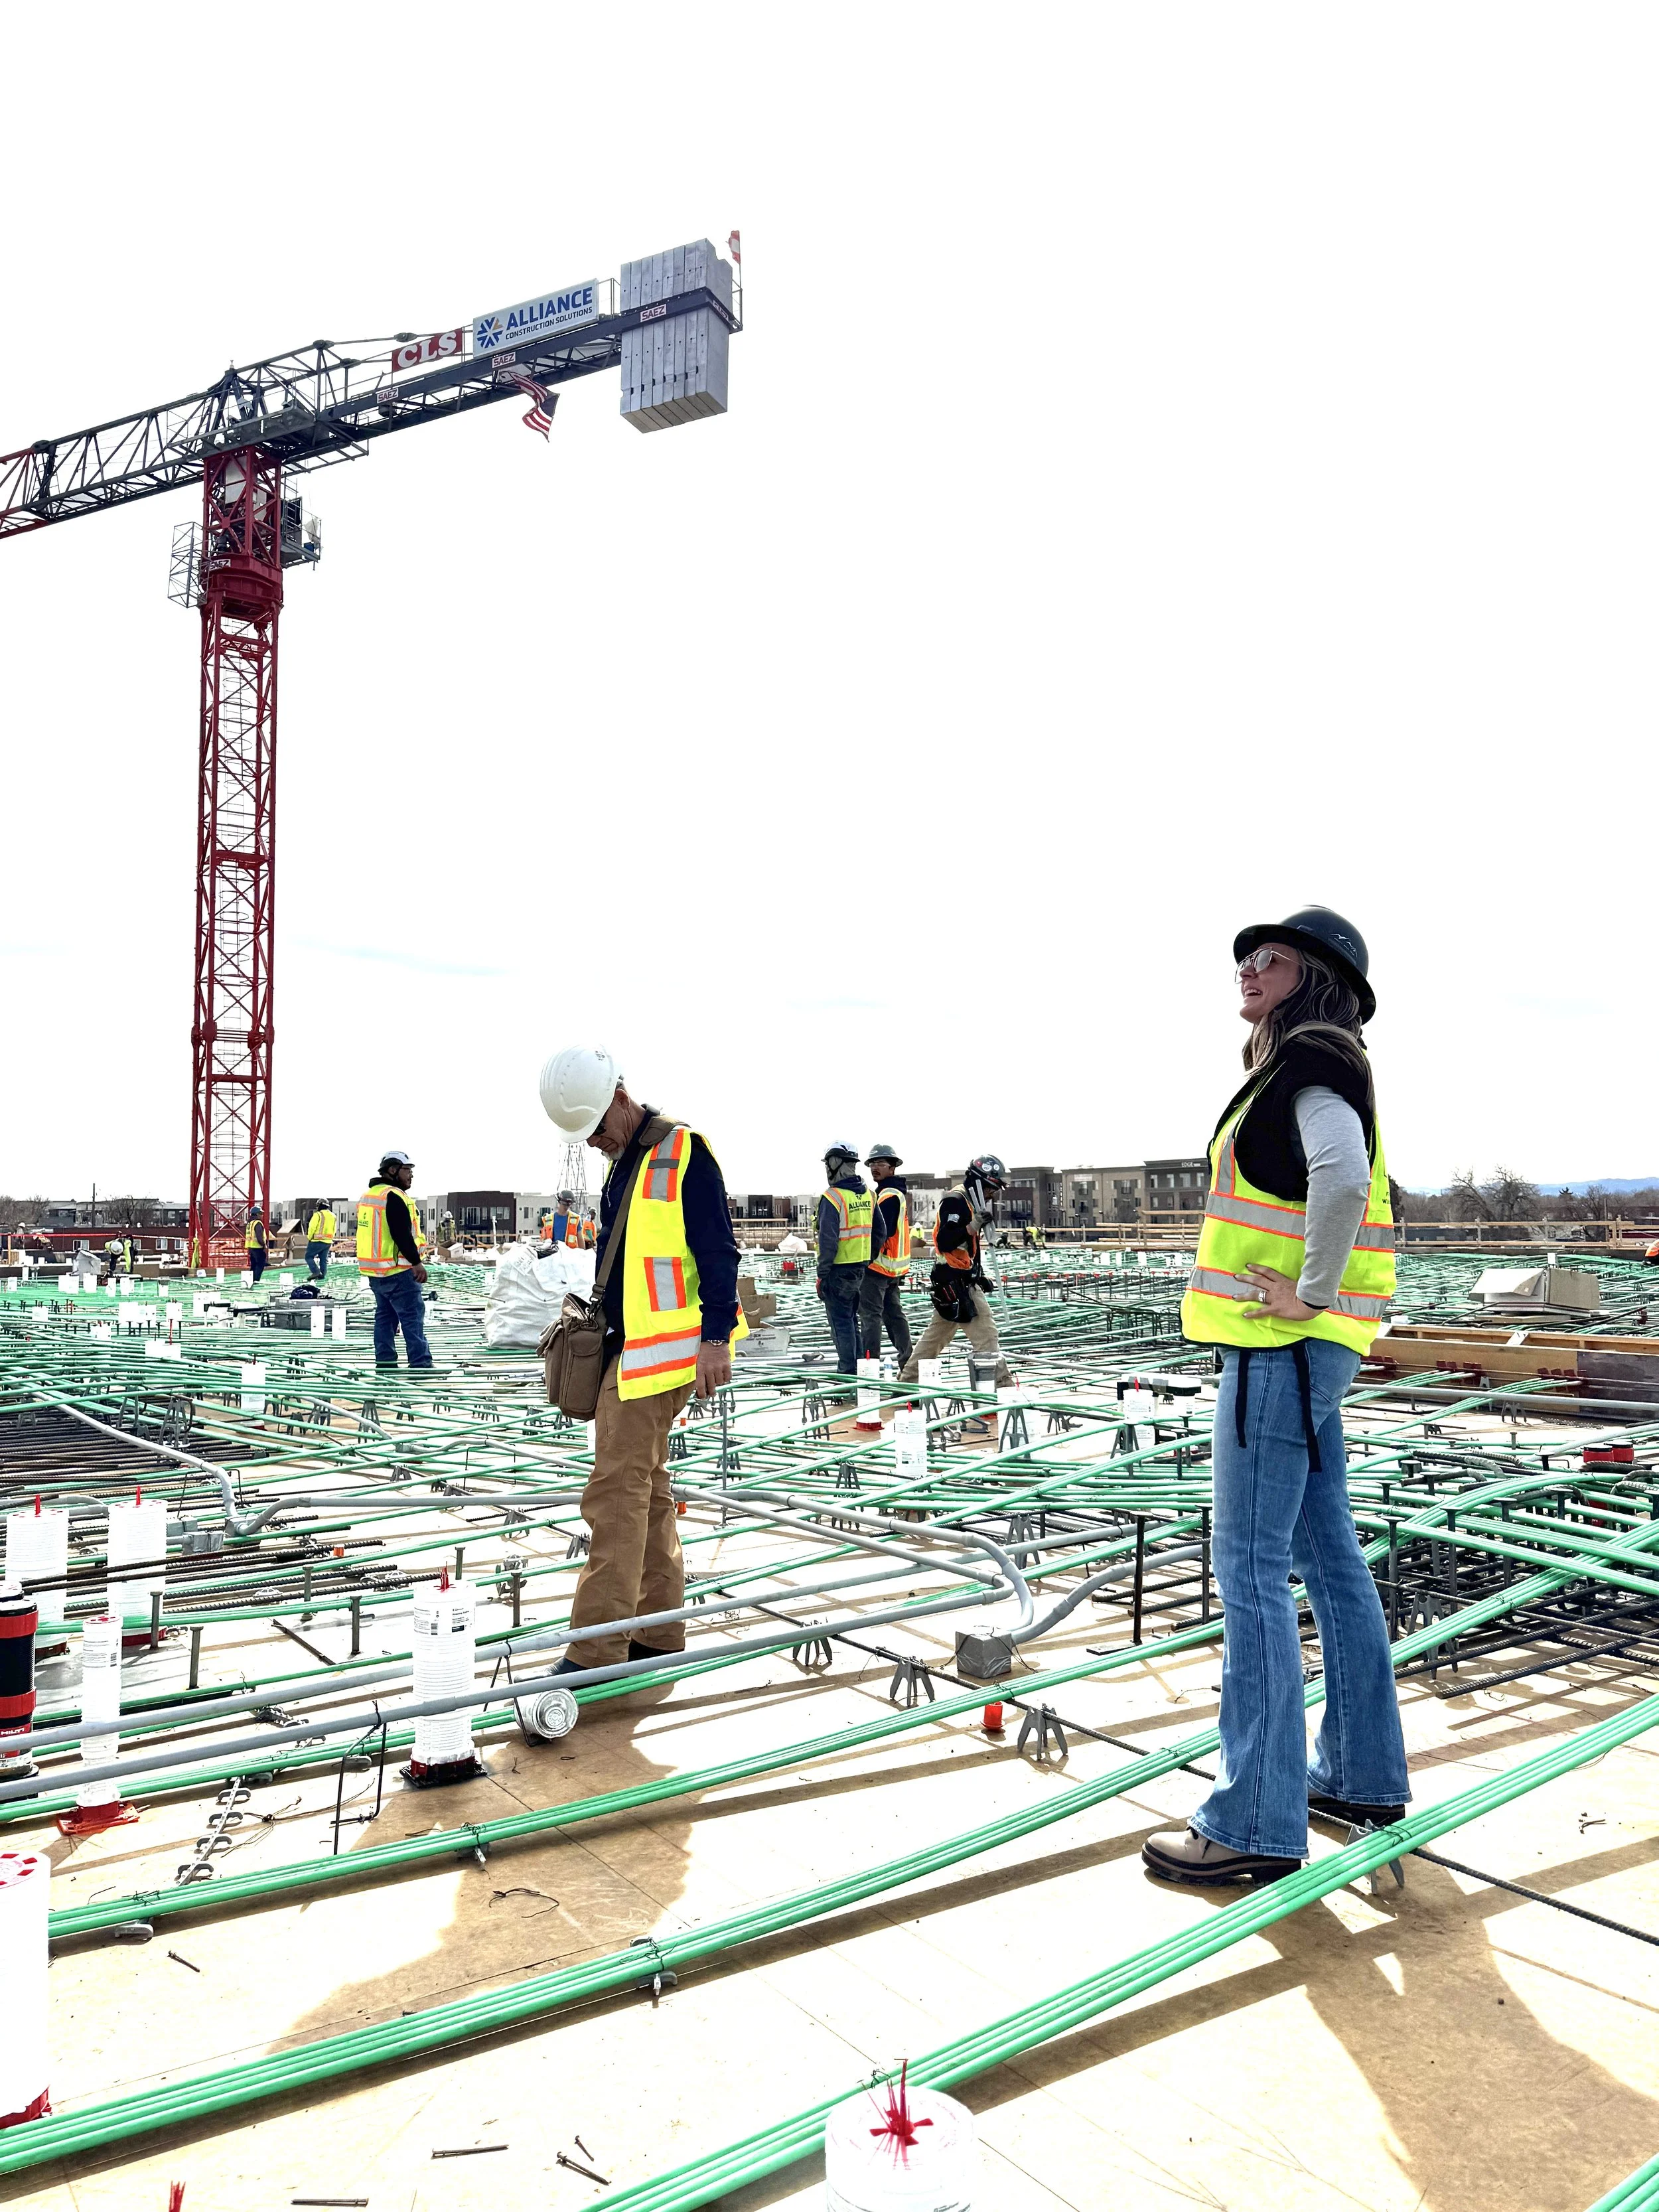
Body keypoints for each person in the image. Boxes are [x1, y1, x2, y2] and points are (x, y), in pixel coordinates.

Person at [1143, 905, 1406, 1888]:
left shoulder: (1313, 1064)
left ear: (1317, 977)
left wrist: (1309, 1294)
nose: (1250, 968)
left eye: (1273, 958)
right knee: (1327, 1557)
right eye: (1247, 957)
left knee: (1247, 1568)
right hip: (1312, 1354)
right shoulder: (1312, 1064)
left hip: (1281, 1347)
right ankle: (1360, 1776)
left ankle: (1254, 1818)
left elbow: (1340, 1180)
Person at [538, 1047, 746, 1672]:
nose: (598, 1141)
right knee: (647, 1490)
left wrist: (715, 1340)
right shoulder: (627, 1160)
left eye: (601, 1127)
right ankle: (658, 1631)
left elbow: (719, 1253)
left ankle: (597, 1649)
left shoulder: (683, 1152)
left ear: (622, 1097)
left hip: (662, 1356)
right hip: (632, 1352)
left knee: (616, 1493)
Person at [898, 1156, 1015, 1415]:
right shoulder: (956, 1201)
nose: (992, 1195)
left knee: (936, 1338)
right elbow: (946, 1240)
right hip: (955, 1281)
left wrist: (979, 1272)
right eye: (989, 1188)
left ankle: (906, 1386)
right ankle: (1002, 1390)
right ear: (977, 1181)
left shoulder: (971, 1202)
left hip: (957, 1278)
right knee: (987, 1336)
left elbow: (968, 1249)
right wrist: (972, 1227)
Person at [355, 1151, 432, 1370]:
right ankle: (421, 1364)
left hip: (376, 1272)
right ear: (393, 1170)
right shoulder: (394, 1196)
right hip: (398, 1270)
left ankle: (385, 1363)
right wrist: (417, 1263)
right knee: (412, 1318)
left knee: (385, 1318)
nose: (411, 1176)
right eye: (407, 1170)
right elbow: (401, 1233)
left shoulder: (369, 1196)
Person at [816, 1143, 872, 1382]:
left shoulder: (833, 1197)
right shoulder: (868, 1194)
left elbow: (828, 1241)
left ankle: (847, 1375)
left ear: (835, 1164)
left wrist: (822, 1273)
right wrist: (867, 1257)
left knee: (841, 1324)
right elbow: (879, 1232)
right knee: (851, 1321)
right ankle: (859, 1371)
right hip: (859, 1268)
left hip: (838, 1271)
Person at [859, 1143, 912, 1368]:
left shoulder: (888, 1196)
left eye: (881, 1164)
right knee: (893, 1316)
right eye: (873, 1163)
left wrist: (865, 1258)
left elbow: (883, 1232)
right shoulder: (889, 1193)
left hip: (878, 1268)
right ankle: (908, 1362)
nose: (875, 1168)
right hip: (892, 1269)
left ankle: (869, 1368)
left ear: (892, 1168)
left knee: (870, 1318)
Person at [305, 1200, 337, 1282]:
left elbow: (312, 1227)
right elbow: (335, 1229)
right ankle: (322, 1275)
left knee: (308, 1257)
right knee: (323, 1260)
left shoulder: (318, 1215)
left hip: (317, 1241)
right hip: (328, 1242)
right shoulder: (333, 1216)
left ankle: (316, 1272)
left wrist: (310, 1237)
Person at [244, 1209, 267, 1283]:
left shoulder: (250, 1223)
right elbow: (259, 1237)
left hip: (251, 1248)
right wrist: (264, 1245)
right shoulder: (258, 1223)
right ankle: (256, 1281)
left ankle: (250, 1281)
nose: (262, 1215)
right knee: (260, 1265)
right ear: (257, 1214)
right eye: (261, 1213)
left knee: (254, 1266)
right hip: (258, 1248)